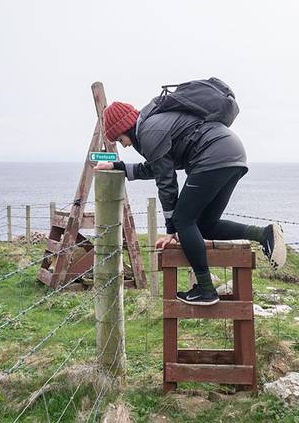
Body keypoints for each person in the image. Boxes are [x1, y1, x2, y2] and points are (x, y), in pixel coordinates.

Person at [94, 99, 286, 306]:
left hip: (212, 156)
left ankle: (205, 289)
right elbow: (157, 168)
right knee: (205, 225)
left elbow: (166, 183)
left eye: (120, 139)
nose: (124, 144)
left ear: (124, 128)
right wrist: (118, 166)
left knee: (184, 220)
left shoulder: (149, 132)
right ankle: (263, 234)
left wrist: (172, 228)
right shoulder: (154, 125)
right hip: (232, 154)